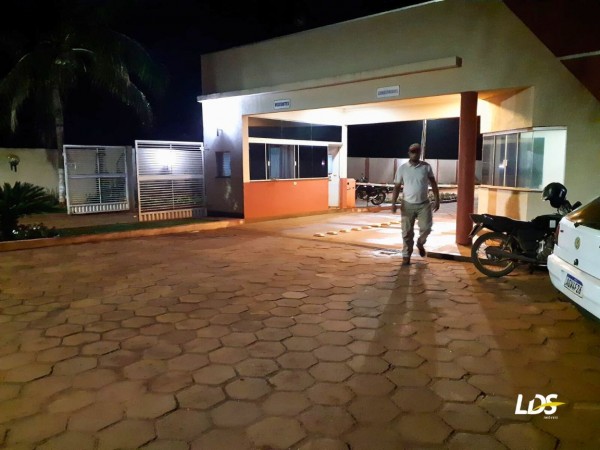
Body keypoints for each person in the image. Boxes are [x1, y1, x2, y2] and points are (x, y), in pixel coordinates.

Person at [391, 143, 440, 265]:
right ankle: (406, 255)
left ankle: (420, 243)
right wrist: (393, 203)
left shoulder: (426, 167)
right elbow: (397, 187)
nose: (414, 154)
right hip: (407, 204)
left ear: (420, 153)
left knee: (426, 228)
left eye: (417, 151)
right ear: (409, 153)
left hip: (424, 205)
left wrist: (437, 199)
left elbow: (433, 183)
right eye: (412, 151)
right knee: (406, 232)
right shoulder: (402, 168)